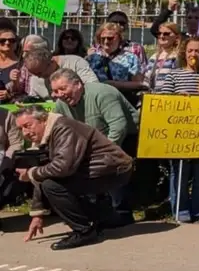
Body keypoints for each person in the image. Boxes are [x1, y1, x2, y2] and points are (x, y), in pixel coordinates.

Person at [15, 107, 134, 250]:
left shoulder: (63, 128)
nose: (25, 133)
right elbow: (47, 171)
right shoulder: (49, 134)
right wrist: (37, 214)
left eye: (28, 126)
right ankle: (105, 218)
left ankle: (84, 232)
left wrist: (30, 174)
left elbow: (62, 168)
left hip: (113, 170)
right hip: (101, 170)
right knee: (51, 183)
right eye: (21, 129)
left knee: (52, 186)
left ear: (43, 120)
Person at [49, 67, 139, 227]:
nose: (60, 94)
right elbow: (55, 130)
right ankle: (95, 212)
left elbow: (119, 126)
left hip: (126, 136)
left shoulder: (103, 93)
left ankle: (122, 213)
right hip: (93, 141)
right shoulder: (61, 105)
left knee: (111, 164)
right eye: (56, 91)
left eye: (63, 88)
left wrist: (105, 152)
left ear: (78, 84)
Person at [159, 36, 199, 223]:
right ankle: (180, 209)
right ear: (184, 53)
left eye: (198, 51)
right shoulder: (174, 75)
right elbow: (163, 101)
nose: (194, 54)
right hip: (180, 133)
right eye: (190, 51)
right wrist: (179, 100)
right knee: (180, 172)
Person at [87, 22, 147, 106]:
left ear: (120, 38)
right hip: (96, 102)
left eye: (110, 38)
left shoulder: (130, 58)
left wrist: (113, 84)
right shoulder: (92, 58)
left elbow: (137, 84)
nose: (106, 41)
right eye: (102, 38)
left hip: (122, 102)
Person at [22, 36, 98, 99]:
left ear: (51, 61)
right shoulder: (35, 77)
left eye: (40, 73)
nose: (38, 77)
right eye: (35, 74)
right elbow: (35, 99)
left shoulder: (76, 63)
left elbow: (93, 87)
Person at [146, 22, 183, 92]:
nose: (162, 36)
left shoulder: (178, 57)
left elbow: (180, 81)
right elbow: (146, 79)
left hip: (169, 98)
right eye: (159, 33)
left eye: (166, 34)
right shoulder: (153, 57)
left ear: (177, 37)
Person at [0, 20, 22, 102]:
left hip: (10, 109)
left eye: (11, 40)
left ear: (16, 43)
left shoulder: (22, 64)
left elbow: (26, 92)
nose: (7, 43)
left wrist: (10, 94)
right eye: (2, 40)